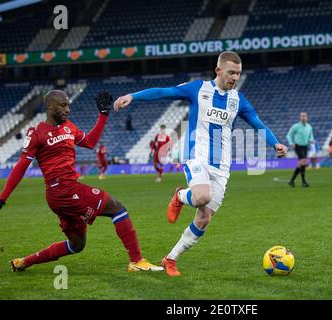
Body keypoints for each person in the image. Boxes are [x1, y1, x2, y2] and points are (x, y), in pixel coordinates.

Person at [114, 51, 287, 276]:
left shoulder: (238, 100)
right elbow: (164, 92)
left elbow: (256, 123)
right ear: (218, 70)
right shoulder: (198, 89)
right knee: (202, 197)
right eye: (231, 72)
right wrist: (133, 96)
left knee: (204, 218)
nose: (235, 77)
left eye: (238, 73)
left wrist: (275, 144)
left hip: (223, 166)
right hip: (197, 157)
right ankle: (179, 196)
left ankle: (170, 259)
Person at [0, 90, 162, 273]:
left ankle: (24, 262)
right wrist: (2, 199)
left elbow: (89, 142)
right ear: (49, 106)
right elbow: (21, 167)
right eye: (63, 105)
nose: (68, 109)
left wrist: (103, 115)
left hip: (61, 195)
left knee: (77, 245)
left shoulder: (68, 127)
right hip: (64, 190)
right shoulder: (37, 133)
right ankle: (136, 260)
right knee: (117, 208)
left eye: (68, 105)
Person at [286, 112, 314, 187]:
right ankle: (303, 182)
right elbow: (288, 135)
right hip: (298, 146)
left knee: (301, 164)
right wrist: (291, 142)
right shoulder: (296, 126)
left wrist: (311, 140)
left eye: (304, 116)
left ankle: (291, 181)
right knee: (303, 161)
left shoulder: (309, 127)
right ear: (300, 117)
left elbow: (311, 136)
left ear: (307, 117)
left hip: (305, 146)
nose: (303, 117)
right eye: (302, 116)